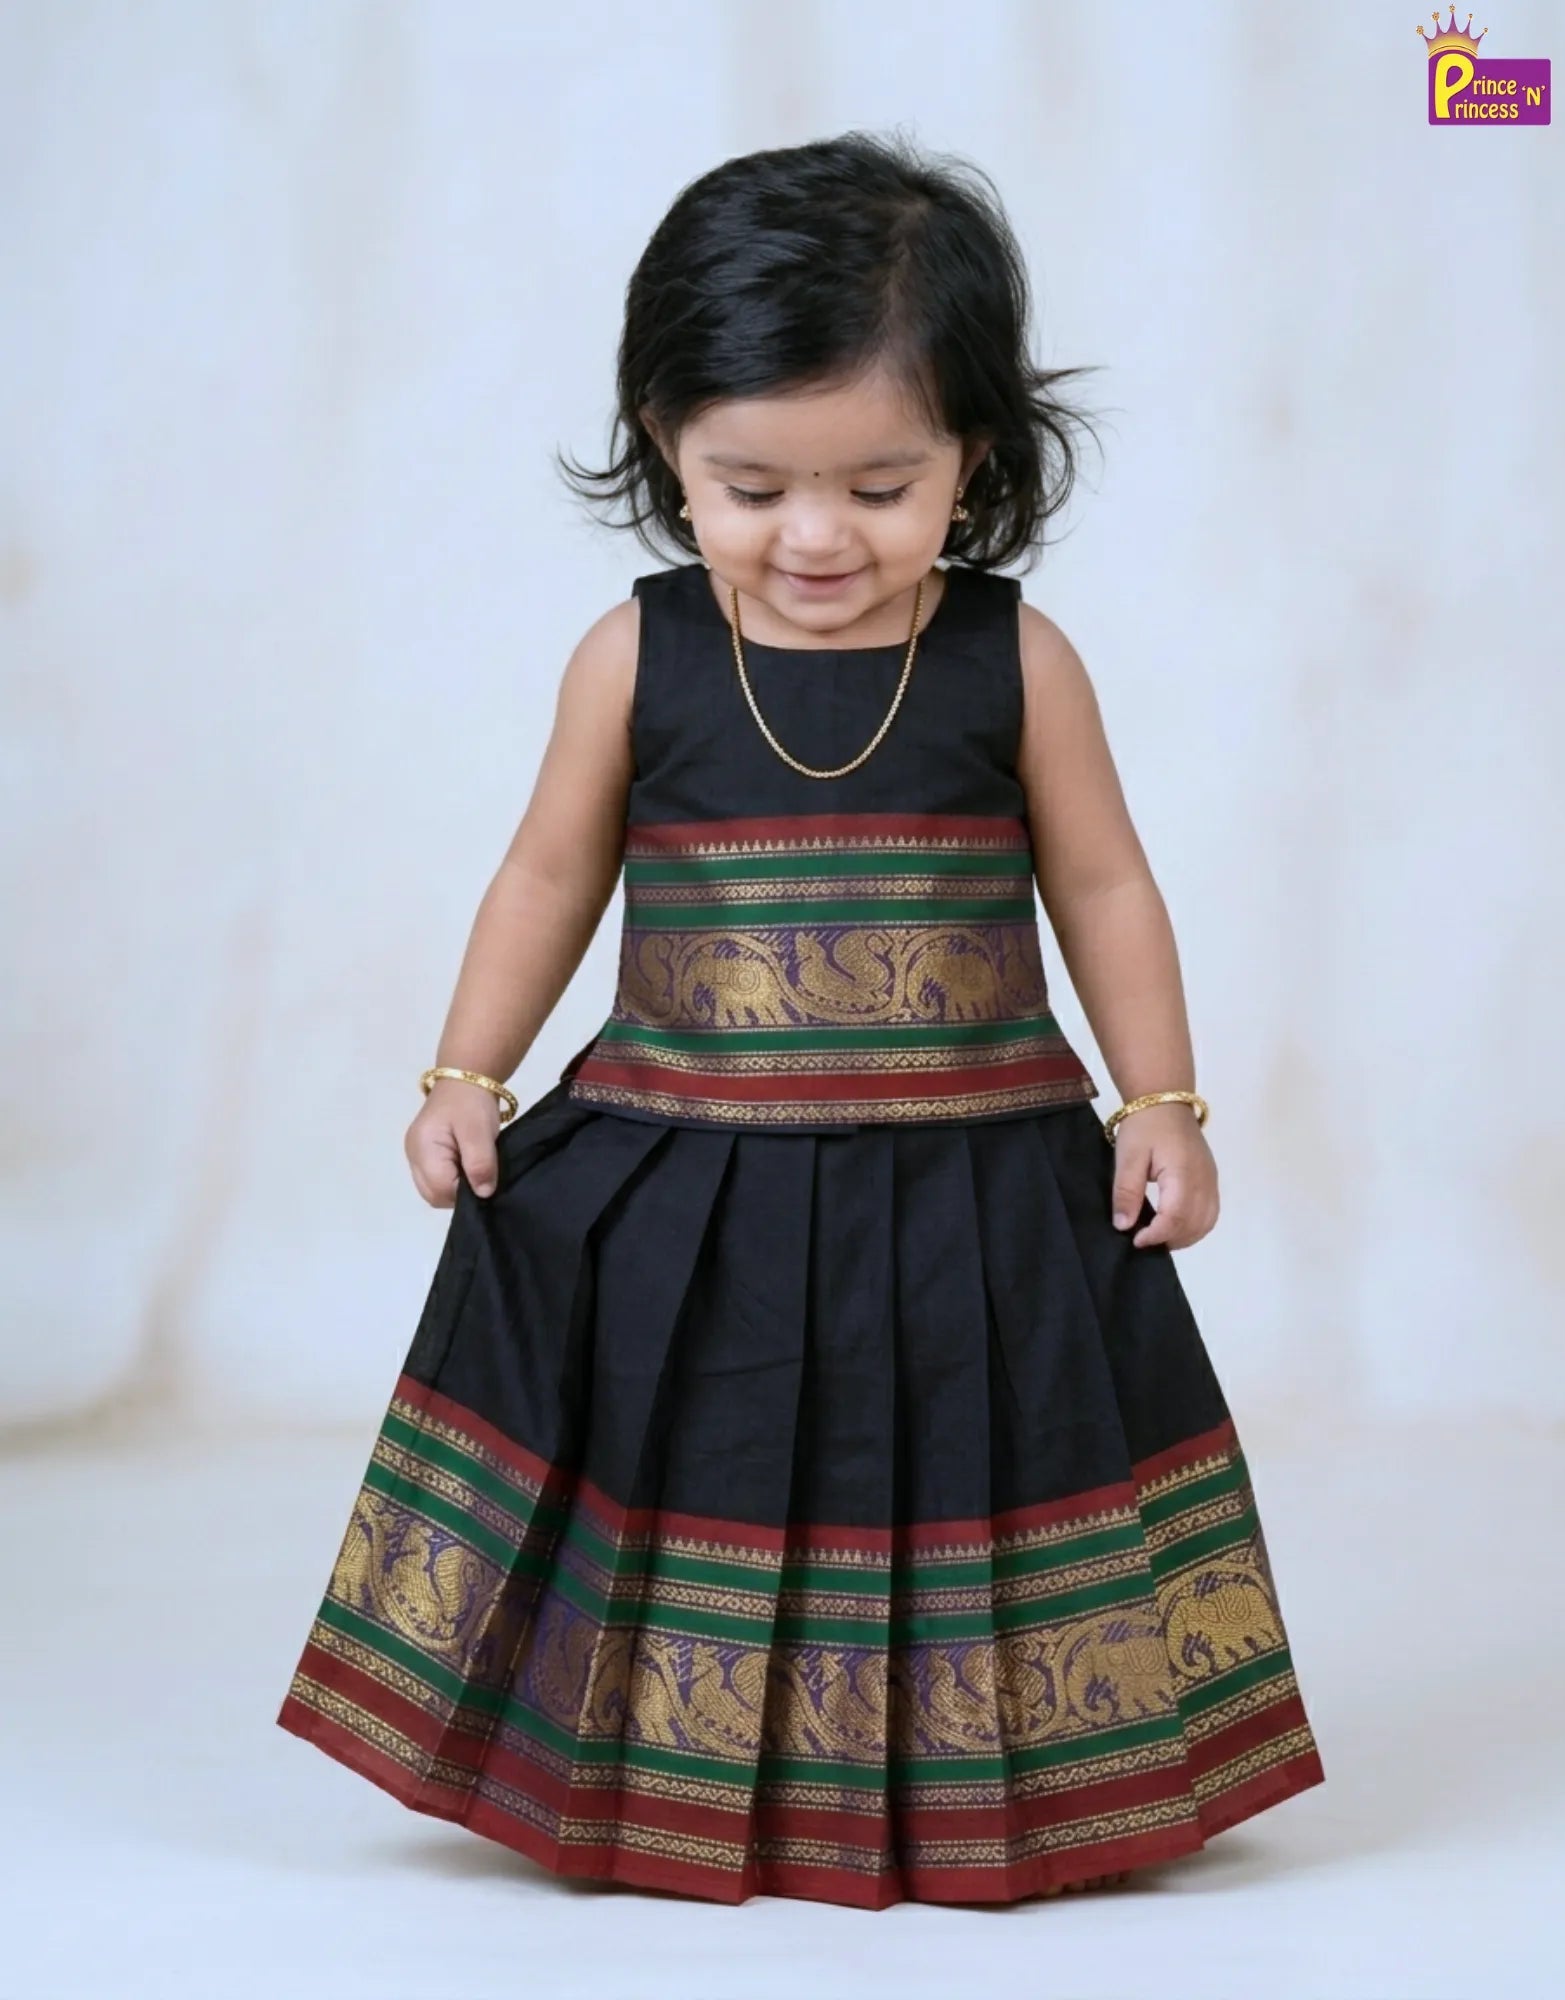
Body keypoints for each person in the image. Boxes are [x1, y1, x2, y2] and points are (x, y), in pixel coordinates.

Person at [275, 131, 1326, 1911]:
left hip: (974, 1196)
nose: (817, 537)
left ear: (971, 465)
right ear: (667, 453)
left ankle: (976, 1795)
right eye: (751, 486)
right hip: (699, 1182)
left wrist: (1167, 1103)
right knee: (715, 1471)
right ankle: (684, 1789)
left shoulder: (1018, 659)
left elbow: (1109, 891)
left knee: (951, 1478)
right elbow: (546, 879)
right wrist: (468, 1074)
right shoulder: (639, 655)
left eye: (881, 486)